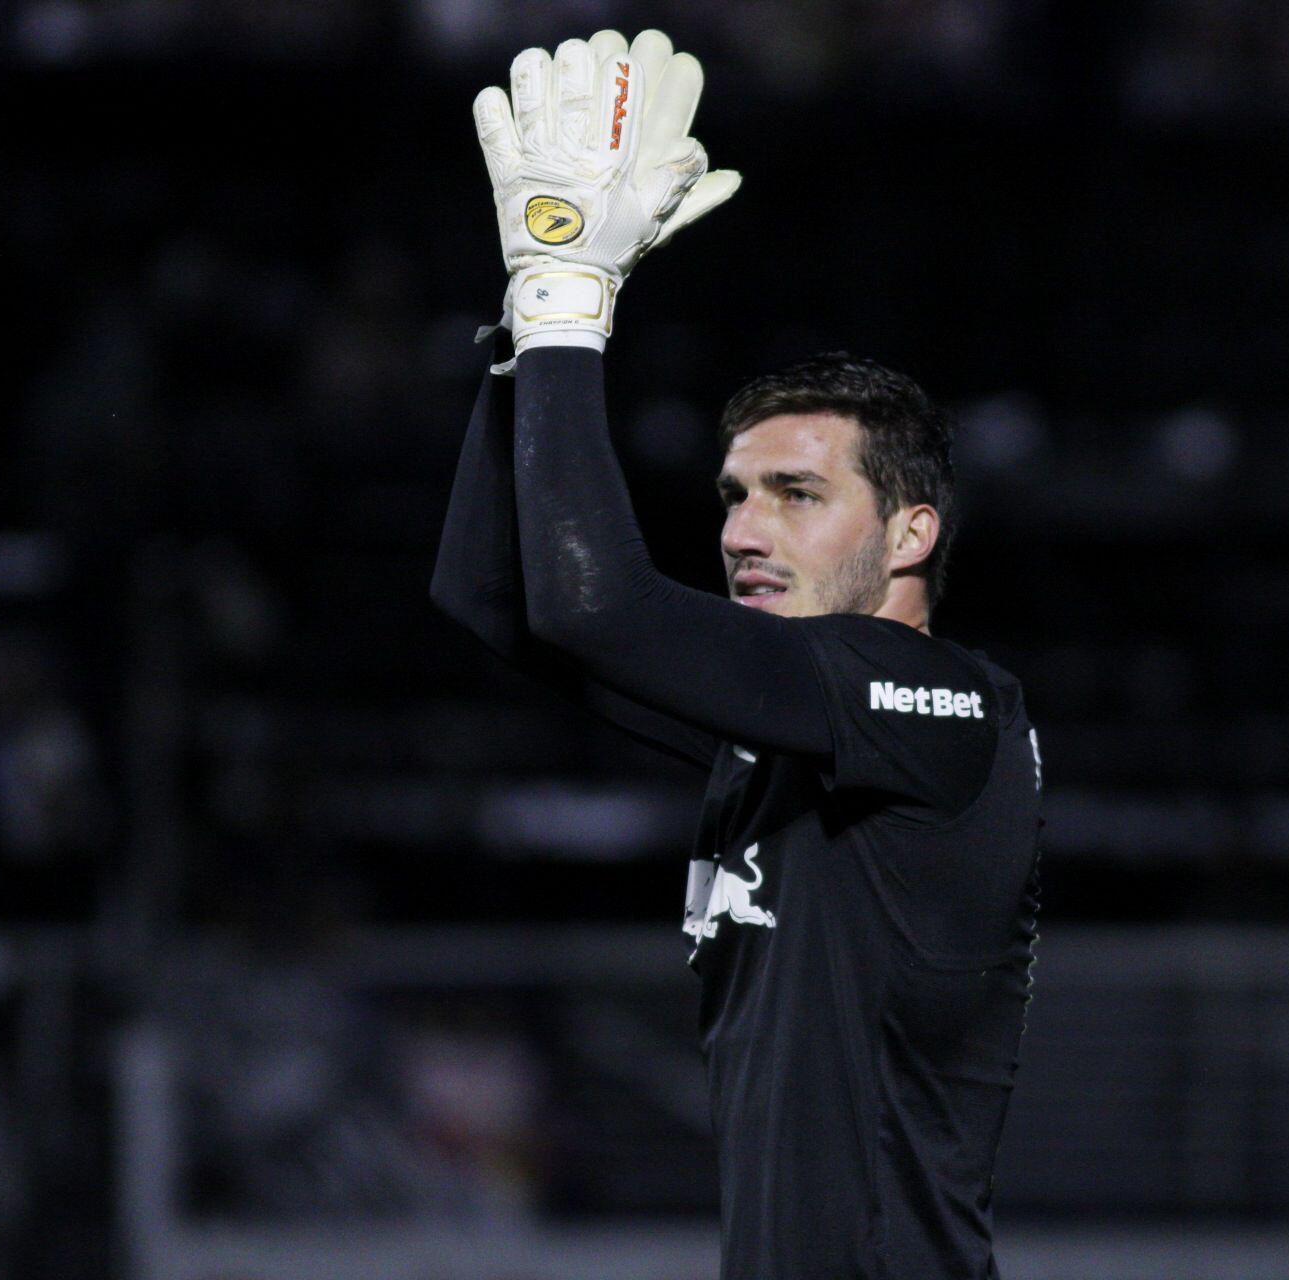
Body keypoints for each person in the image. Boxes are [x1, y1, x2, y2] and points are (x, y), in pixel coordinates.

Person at [430, 29, 1043, 1280]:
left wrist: (572, 297)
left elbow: (598, 608)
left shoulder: (946, 712)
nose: (742, 529)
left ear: (913, 530)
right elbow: (490, 595)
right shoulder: (784, 735)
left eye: (795, 493)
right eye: (731, 494)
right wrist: (523, 319)